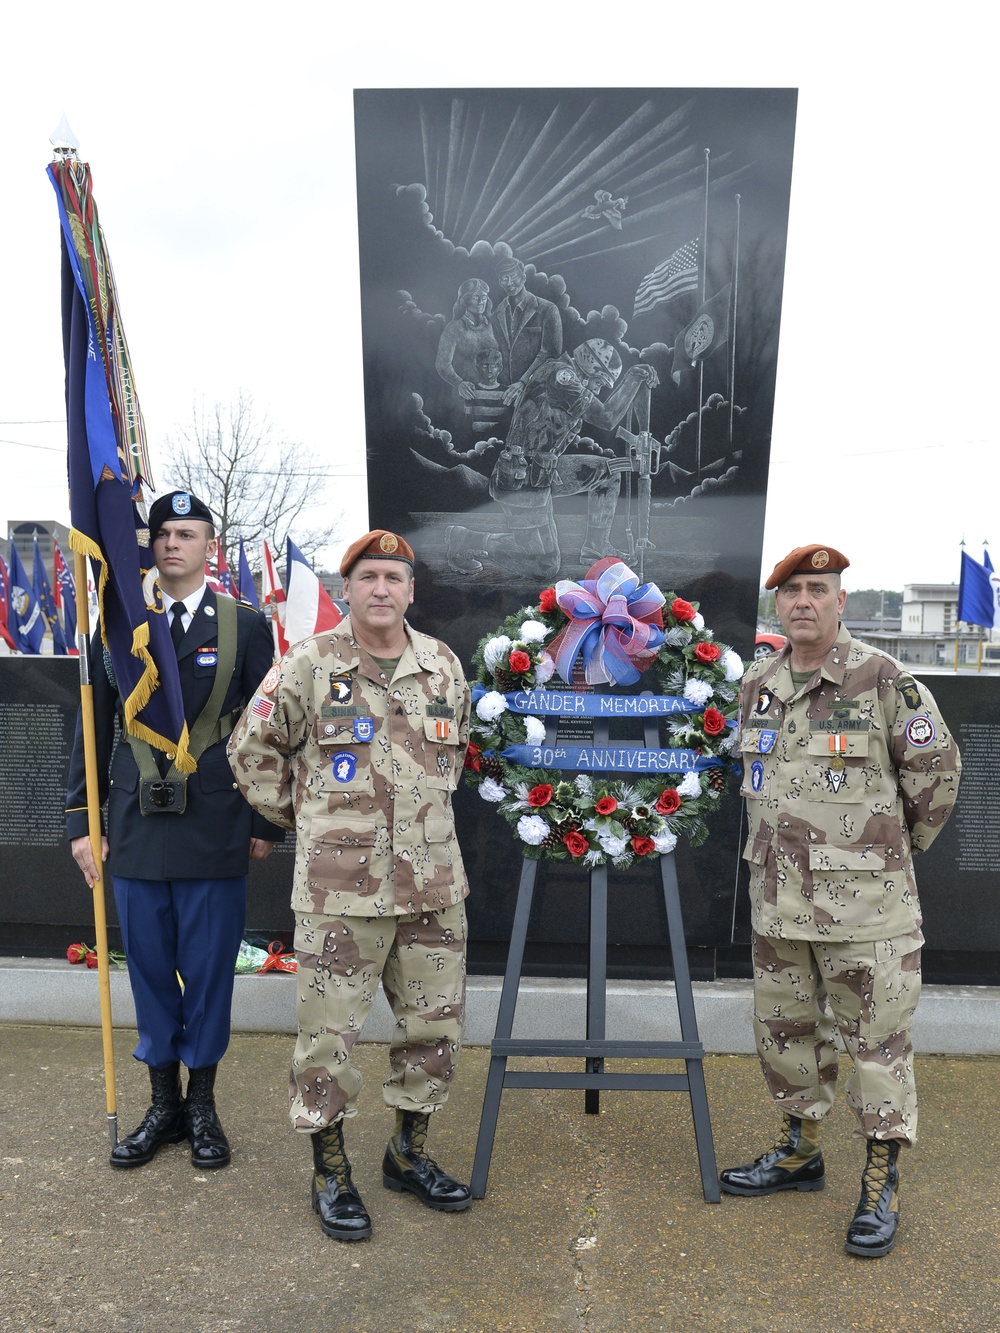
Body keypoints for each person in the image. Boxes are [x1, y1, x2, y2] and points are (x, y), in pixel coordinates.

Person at [227, 529, 472, 1242]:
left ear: (411, 590)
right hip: (340, 895)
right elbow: (251, 749)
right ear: (347, 589)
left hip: (432, 888)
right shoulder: (309, 664)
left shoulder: (442, 668)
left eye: (395, 577)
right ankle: (330, 1169)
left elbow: (451, 759)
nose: (382, 589)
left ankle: (409, 1153)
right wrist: (305, 818)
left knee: (435, 1032)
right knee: (327, 1042)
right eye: (368, 577)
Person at [721, 543, 961, 1259]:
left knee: (877, 1048)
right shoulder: (759, 683)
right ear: (778, 603)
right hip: (779, 903)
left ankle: (881, 1178)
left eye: (817, 589)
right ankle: (800, 1150)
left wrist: (884, 856)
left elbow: (937, 776)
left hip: (869, 914)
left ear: (840, 601)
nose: (803, 601)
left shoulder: (885, 681)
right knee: (787, 1035)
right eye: (792, 590)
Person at [66, 490, 281, 1170]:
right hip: (133, 824)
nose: (171, 544)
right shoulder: (118, 621)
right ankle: (163, 1102)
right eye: (162, 534)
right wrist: (83, 821)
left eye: (187, 534)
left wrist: (265, 818)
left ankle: (204, 1103)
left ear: (209, 546)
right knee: (152, 970)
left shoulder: (244, 625)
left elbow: (265, 730)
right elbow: (93, 727)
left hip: (215, 823)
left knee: (211, 970)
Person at [445, 338, 658, 579]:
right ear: (590, 367)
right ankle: (467, 538)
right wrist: (632, 379)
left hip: (544, 470)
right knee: (544, 566)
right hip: (521, 478)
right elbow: (607, 418)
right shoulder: (561, 376)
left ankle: (595, 546)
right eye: (599, 381)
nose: (598, 389)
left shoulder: (564, 375)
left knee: (609, 472)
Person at [490, 256, 562, 404]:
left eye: (514, 277)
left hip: (537, 395)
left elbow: (551, 354)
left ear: (523, 277)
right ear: (499, 282)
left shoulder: (548, 309)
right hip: (503, 395)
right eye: (504, 278)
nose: (509, 283)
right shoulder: (496, 315)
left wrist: (523, 382)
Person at [435, 278, 499, 401]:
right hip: (465, 398)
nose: (481, 302)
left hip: (494, 396)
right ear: (465, 300)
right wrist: (459, 383)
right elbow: (442, 364)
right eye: (476, 298)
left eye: (484, 297)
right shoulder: (454, 328)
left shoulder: (493, 325)